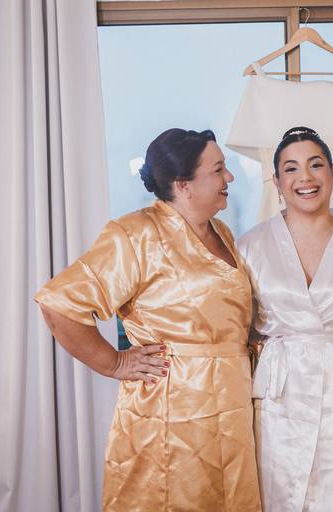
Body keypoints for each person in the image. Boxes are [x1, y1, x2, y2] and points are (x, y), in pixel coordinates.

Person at [35, 128, 261, 511]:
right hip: (171, 407)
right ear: (184, 185)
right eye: (218, 169)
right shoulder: (135, 234)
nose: (230, 177)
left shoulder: (221, 232)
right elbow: (59, 304)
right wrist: (115, 362)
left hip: (231, 402)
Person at [236, 127, 333, 511]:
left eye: (316, 165)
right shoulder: (249, 245)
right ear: (276, 182)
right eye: (291, 168)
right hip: (278, 396)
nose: (305, 177)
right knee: (277, 492)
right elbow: (238, 329)